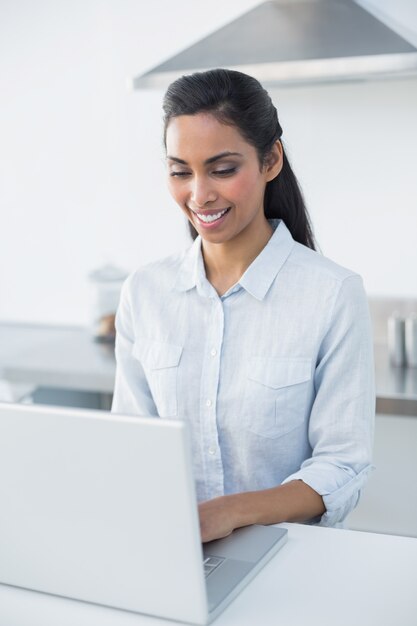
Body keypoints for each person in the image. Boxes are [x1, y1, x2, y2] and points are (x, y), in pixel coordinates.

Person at [111, 68, 375, 542]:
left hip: (290, 556)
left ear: (271, 159)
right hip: (167, 550)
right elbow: (130, 446)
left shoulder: (331, 294)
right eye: (180, 171)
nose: (199, 194)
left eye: (223, 169)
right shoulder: (144, 292)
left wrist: (229, 512)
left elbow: (343, 465)